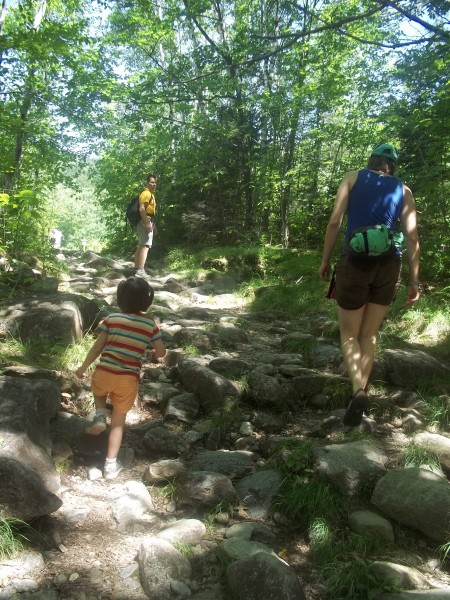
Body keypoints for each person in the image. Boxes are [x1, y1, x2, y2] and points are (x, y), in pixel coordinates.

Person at [319, 143, 420, 426]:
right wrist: (414, 280)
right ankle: (359, 396)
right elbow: (412, 238)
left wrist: (325, 261)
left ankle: (358, 391)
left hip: (355, 262)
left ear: (371, 159)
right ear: (392, 166)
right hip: (389, 265)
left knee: (349, 335)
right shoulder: (404, 190)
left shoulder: (352, 178)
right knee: (369, 335)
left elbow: (335, 222)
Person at [74, 276, 166, 479]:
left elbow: (97, 348)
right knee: (118, 422)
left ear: (120, 299)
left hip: (105, 371)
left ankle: (99, 416)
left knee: (98, 393)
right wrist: (153, 353)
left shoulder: (112, 319)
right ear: (146, 301)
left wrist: (82, 368)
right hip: (128, 379)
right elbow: (161, 352)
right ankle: (110, 465)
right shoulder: (150, 324)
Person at [134, 174, 157, 277]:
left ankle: (136, 268)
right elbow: (142, 209)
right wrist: (147, 222)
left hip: (145, 220)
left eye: (155, 182)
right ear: (147, 183)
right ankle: (140, 270)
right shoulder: (146, 194)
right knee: (145, 245)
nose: (154, 184)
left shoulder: (149, 194)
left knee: (141, 245)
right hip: (145, 220)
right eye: (152, 182)